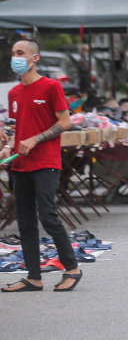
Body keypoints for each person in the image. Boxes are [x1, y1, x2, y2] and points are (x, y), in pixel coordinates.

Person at [0, 40, 83, 292]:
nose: (15, 57)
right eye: (13, 53)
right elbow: (18, 128)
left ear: (34, 58)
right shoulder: (14, 93)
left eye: (20, 53)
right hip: (20, 165)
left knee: (48, 216)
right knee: (24, 222)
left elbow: (65, 122)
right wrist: (8, 146)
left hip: (46, 162)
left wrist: (35, 139)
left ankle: (72, 269)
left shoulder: (51, 86)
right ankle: (33, 277)